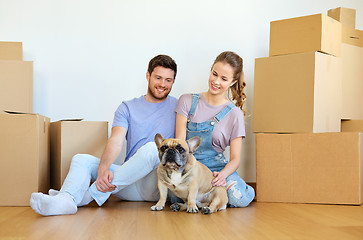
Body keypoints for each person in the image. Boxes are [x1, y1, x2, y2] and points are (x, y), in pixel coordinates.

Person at [30, 54, 178, 216]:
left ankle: (84, 197)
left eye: (168, 80)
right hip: (125, 182)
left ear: (173, 81)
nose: (162, 84)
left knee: (152, 149)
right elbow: (116, 141)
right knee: (81, 159)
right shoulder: (127, 107)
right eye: (158, 78)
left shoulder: (178, 107)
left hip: (157, 184)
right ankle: (66, 200)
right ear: (148, 75)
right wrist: (103, 169)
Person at [175, 51, 255, 207]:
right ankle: (209, 201)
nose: (216, 81)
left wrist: (223, 176)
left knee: (239, 198)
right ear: (211, 70)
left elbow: (235, 159)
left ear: (233, 82)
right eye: (214, 74)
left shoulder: (234, 114)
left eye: (224, 79)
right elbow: (179, 143)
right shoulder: (187, 101)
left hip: (217, 169)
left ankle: (227, 194)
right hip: (190, 166)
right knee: (176, 196)